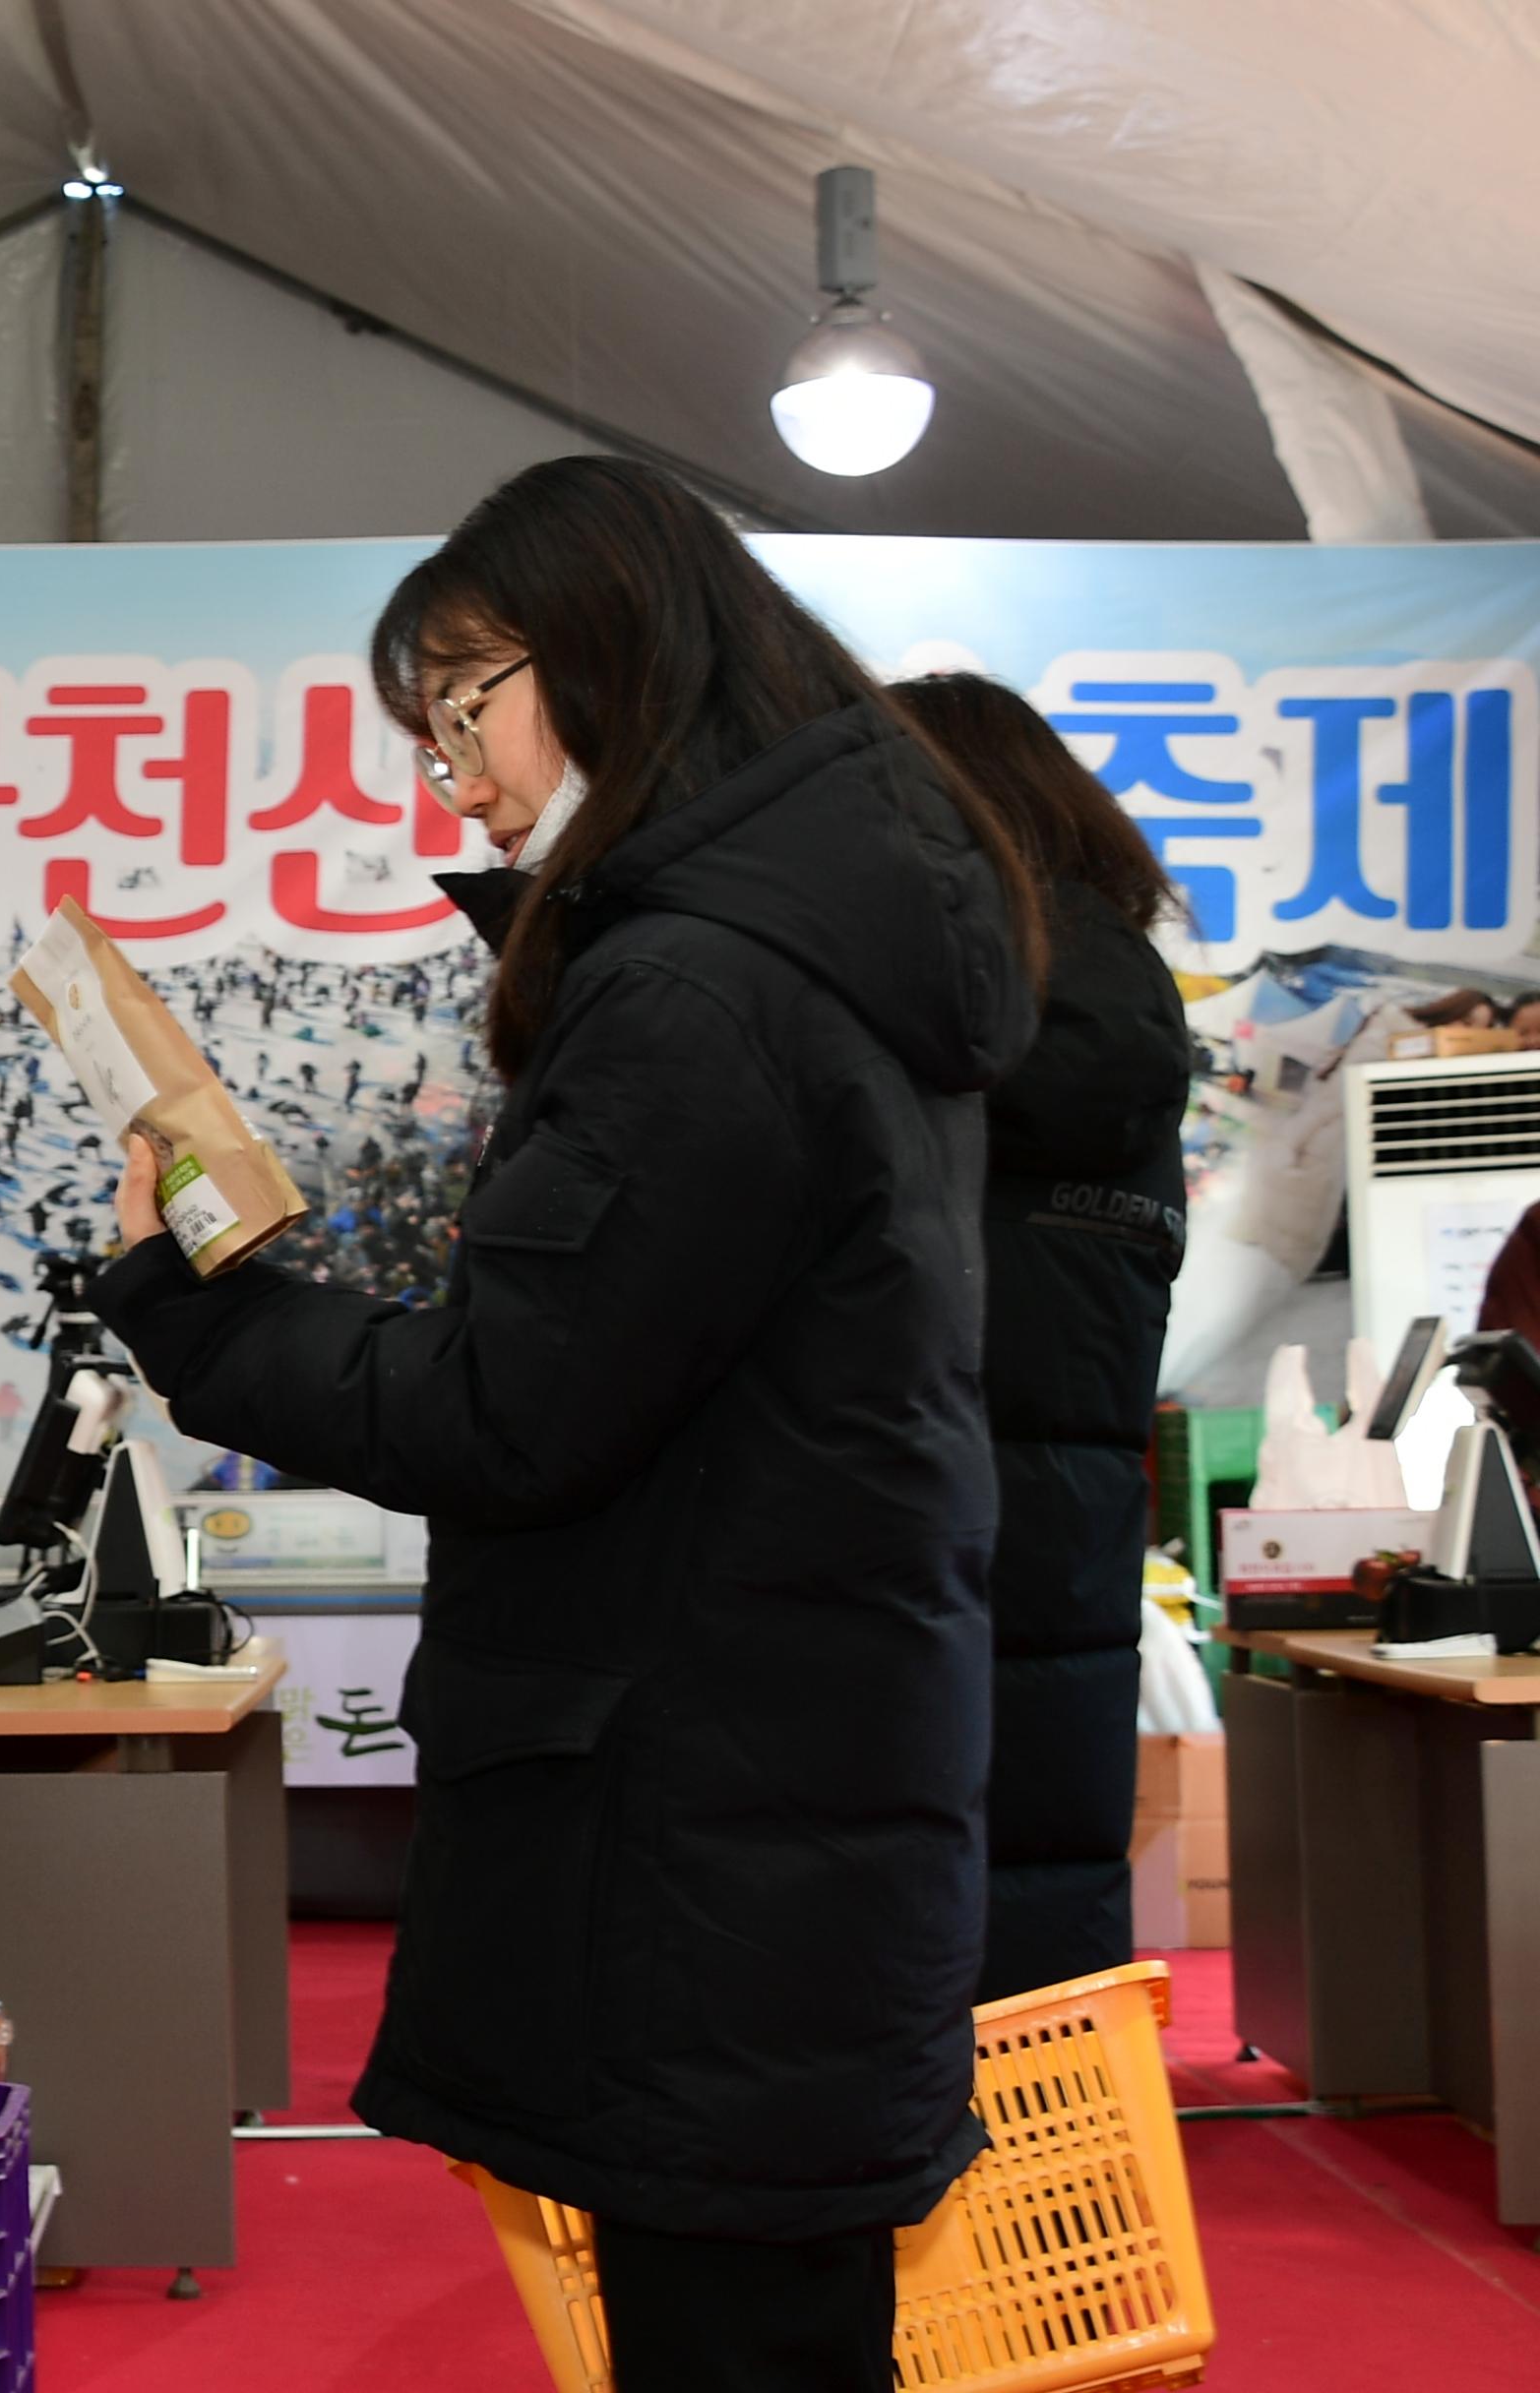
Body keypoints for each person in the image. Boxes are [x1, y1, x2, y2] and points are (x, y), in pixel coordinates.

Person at [95, 457, 1042, 2389]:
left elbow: (509, 1406)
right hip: (780, 1797)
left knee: (737, 2329)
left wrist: (199, 1302)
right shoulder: (810, 959)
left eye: (465, 701)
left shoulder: (697, 993)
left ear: (616, 654)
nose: (446, 770)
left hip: (715, 1830)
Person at [890, 672, 1195, 2002]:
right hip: (1066, 1541)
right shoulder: (1119, 1009)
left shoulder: (955, 1017)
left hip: (921, 1526)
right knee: (1050, 1845)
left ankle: (970, 2174)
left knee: (933, 1863)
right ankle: (1058, 2165)